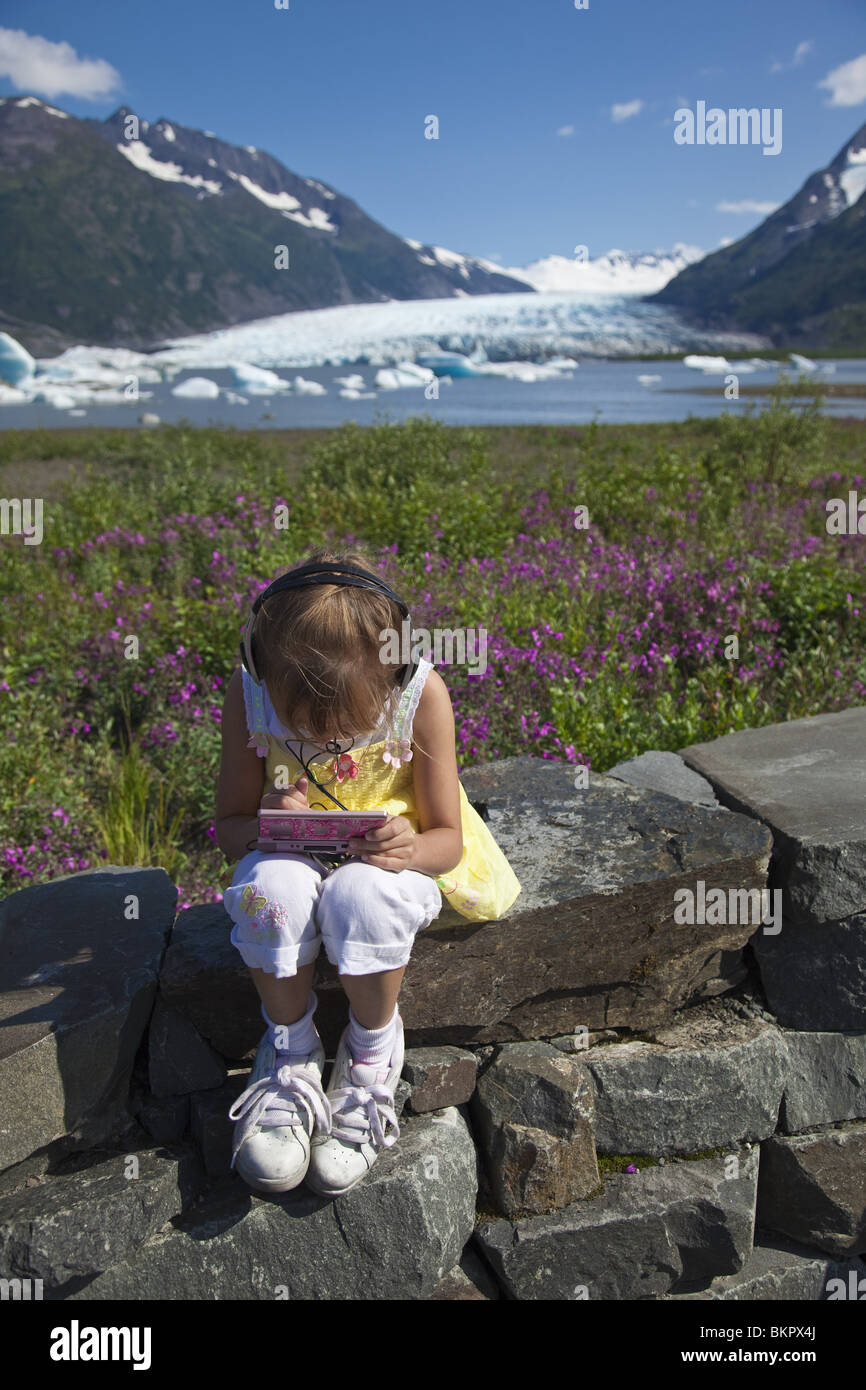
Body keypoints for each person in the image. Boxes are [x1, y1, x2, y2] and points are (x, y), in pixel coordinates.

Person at [215, 546, 521, 1198]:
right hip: (289, 859)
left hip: (386, 868)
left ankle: (371, 1054)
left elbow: (448, 841)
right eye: (306, 729)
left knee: (361, 895)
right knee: (268, 891)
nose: (327, 746)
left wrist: (409, 848)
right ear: (260, 668)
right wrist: (268, 819)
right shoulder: (249, 696)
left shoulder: (421, 696)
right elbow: (230, 828)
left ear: (394, 675)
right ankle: (291, 1052)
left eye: (347, 732)